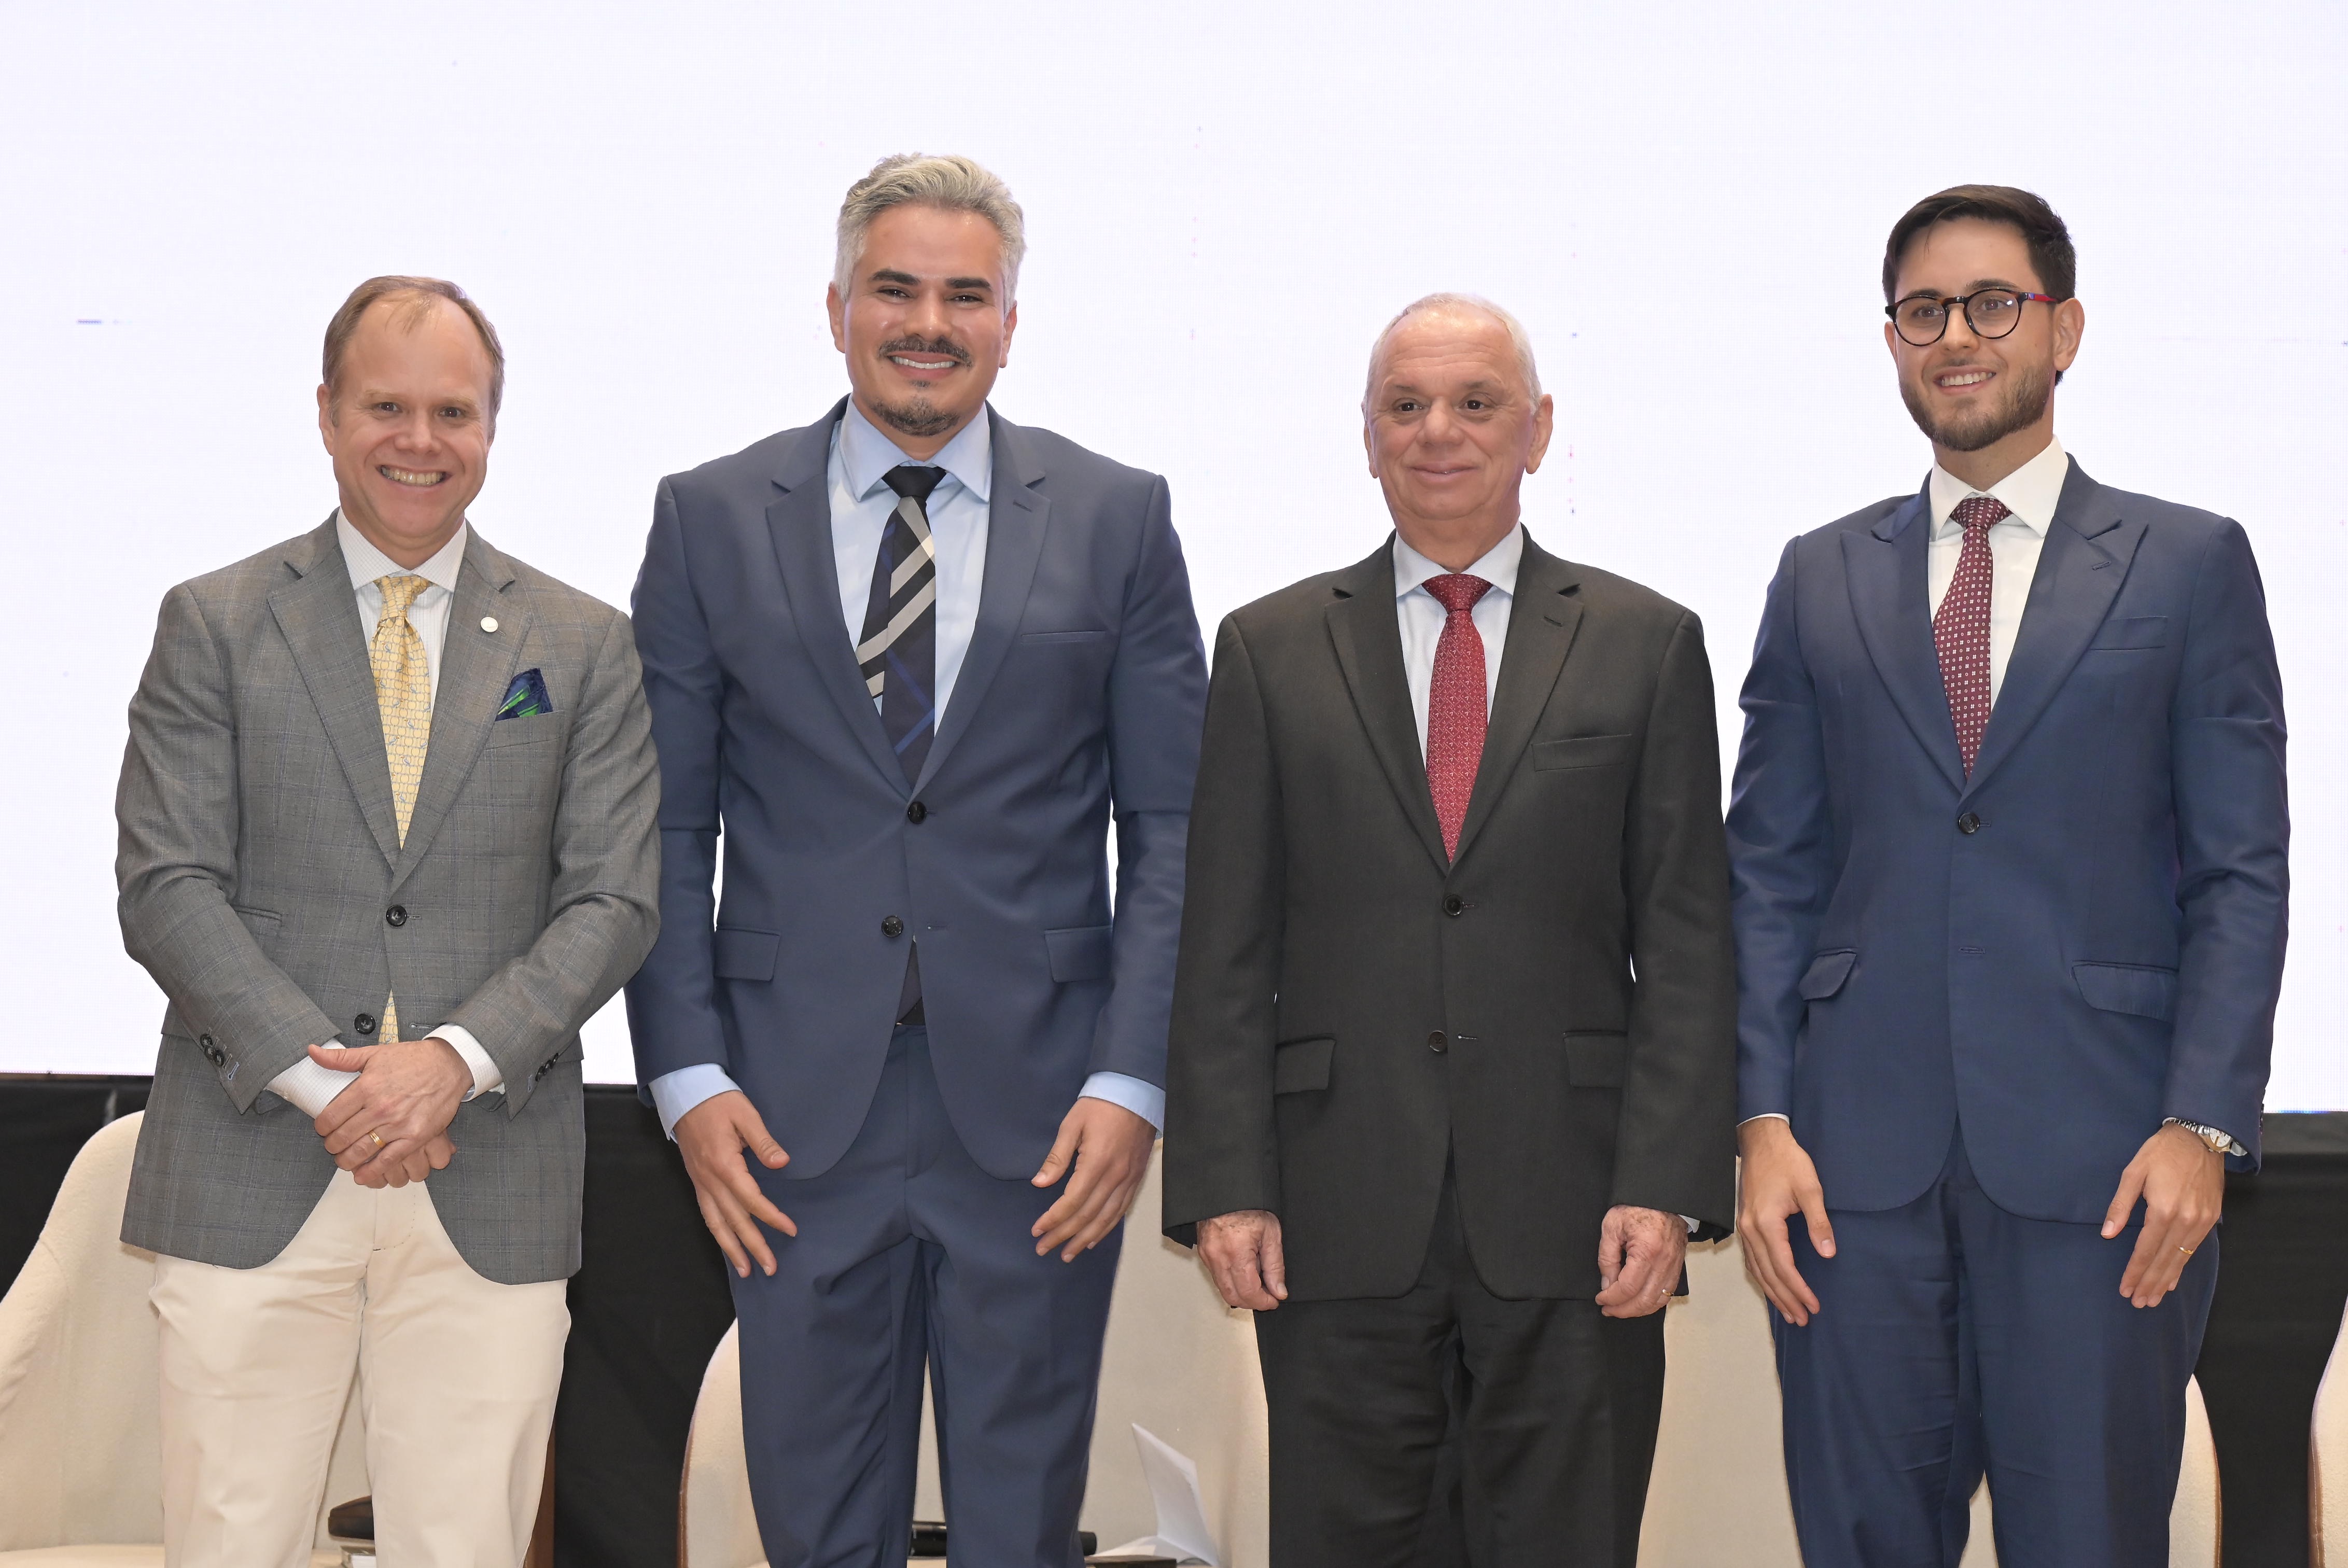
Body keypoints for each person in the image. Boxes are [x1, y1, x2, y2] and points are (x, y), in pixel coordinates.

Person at [624, 153, 1206, 1565]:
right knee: (817, 1530)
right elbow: (664, 826)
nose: (928, 323)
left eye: (965, 295)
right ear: (837, 309)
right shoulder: (709, 516)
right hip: (783, 1120)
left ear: (1010, 320)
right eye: (895, 289)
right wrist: (687, 1076)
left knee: (1019, 1531)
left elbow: (1174, 826)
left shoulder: (1119, 516)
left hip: (1045, 1119)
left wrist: (1132, 1079)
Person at [1729, 185, 2289, 1565]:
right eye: (1923, 312)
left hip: (2105, 1167)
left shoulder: (2189, 561)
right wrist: (1759, 1120)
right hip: (1849, 1176)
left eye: (1992, 304)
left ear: (2063, 330)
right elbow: (1768, 875)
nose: (1956, 337)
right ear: (1892, 341)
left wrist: (2203, 1124)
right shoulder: (1817, 574)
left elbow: (2238, 874)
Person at [1162, 293, 1737, 1567]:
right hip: (1333, 1208)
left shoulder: (1644, 644)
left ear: (1537, 429)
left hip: (1578, 1210)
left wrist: (1666, 1184)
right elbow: (1221, 949)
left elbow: (1687, 944)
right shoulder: (1267, 648)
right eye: (1406, 405)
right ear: (1365, 434)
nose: (1439, 431)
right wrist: (1224, 1184)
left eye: (1476, 403)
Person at [115, 275, 661, 1567]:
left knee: (465, 1546)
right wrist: (336, 1090)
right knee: (230, 1544)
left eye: (453, 412)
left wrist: (448, 1067)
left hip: (490, 1167)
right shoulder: (215, 622)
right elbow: (166, 884)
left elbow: (615, 898)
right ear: (326, 413)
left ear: (491, 427)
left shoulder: (583, 644)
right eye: (386, 407)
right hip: (253, 1157)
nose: (421, 440)